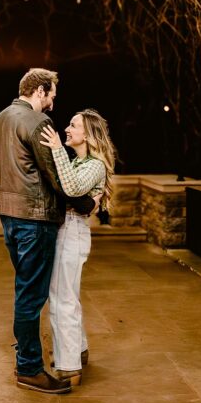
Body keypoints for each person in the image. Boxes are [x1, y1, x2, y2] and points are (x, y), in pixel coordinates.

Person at [0, 68, 96, 394]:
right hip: (36, 220)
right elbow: (57, 177)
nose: (52, 102)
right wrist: (87, 202)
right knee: (31, 296)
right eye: (51, 95)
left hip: (8, 217)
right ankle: (29, 368)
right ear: (40, 90)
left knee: (25, 288)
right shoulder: (37, 124)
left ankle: (30, 359)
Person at [39, 109, 117, 386]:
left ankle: (69, 365)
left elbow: (70, 189)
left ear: (89, 135)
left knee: (62, 299)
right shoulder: (79, 162)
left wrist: (58, 149)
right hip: (70, 228)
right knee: (67, 294)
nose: (67, 129)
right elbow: (66, 189)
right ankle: (79, 350)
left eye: (73, 125)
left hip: (72, 231)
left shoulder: (95, 165)